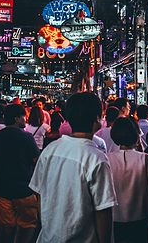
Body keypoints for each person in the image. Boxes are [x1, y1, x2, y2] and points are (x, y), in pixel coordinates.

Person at [29, 92, 117, 243]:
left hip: (48, 237)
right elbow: (103, 211)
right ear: (97, 118)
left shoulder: (50, 150)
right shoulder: (96, 159)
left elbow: (38, 195)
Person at [0, 103, 40, 243]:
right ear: (17, 118)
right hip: (24, 189)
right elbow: (37, 160)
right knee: (28, 225)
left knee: (6, 226)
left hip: (2, 188)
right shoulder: (27, 137)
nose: (26, 120)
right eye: (24, 117)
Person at [108, 117, 148, 243]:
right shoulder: (145, 159)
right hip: (142, 217)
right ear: (136, 134)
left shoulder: (106, 159)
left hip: (114, 219)